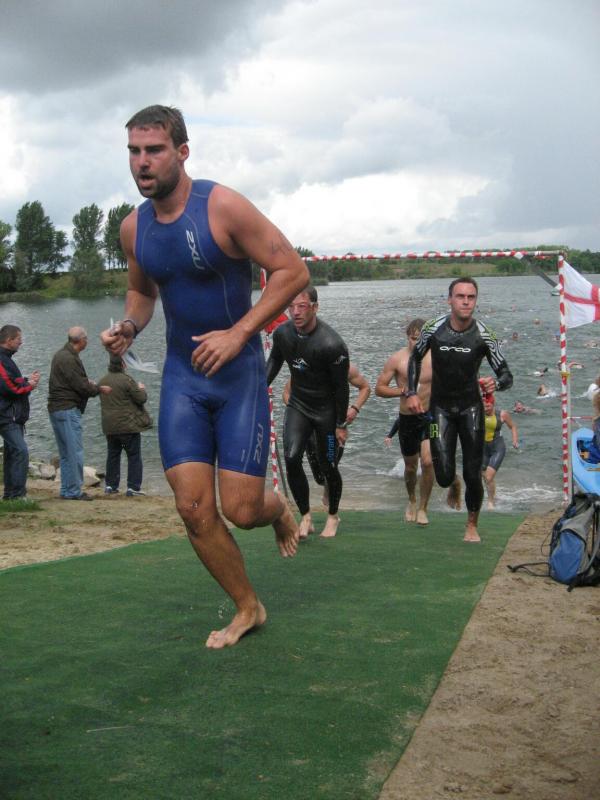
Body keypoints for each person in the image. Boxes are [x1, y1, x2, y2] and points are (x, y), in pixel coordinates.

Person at [100, 105, 309, 649]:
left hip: (238, 376)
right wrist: (128, 327)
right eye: (134, 151)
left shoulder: (222, 207)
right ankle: (248, 606)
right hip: (183, 380)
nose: (142, 162)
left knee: (241, 510)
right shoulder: (134, 228)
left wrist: (239, 333)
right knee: (193, 509)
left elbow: (293, 271)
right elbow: (142, 293)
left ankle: (276, 508)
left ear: (182, 152)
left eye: (154, 150)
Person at [406, 278, 513, 543]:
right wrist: (411, 392)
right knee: (442, 474)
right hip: (438, 411)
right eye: (460, 296)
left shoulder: (484, 335)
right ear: (450, 300)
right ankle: (452, 483)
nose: (466, 301)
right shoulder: (433, 329)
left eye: (471, 297)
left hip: (471, 410)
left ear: (476, 300)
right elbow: (414, 359)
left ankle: (471, 525)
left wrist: (496, 383)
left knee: (472, 471)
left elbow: (506, 374)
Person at [266, 286, 349, 539]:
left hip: (326, 411)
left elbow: (342, 387)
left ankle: (333, 516)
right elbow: (274, 362)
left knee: (328, 465)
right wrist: (257, 389)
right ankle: (306, 516)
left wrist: (341, 424)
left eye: (301, 306)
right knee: (292, 458)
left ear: (315, 307)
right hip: (299, 404)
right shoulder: (282, 334)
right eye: (291, 307)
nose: (295, 312)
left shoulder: (332, 344)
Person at [376, 319, 461, 526]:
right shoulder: (397, 359)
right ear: (407, 337)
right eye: (413, 339)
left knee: (428, 462)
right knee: (411, 467)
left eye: (421, 339)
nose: (417, 343)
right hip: (407, 419)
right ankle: (412, 500)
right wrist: (402, 391)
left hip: (431, 416)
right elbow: (379, 388)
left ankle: (423, 507)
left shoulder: (438, 357)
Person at [282, 362, 371, 507]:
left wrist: (354, 409)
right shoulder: (306, 366)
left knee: (330, 467)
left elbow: (365, 388)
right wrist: (298, 411)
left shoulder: (345, 368)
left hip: (335, 427)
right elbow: (286, 393)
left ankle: (331, 507)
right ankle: (325, 489)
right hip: (310, 426)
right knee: (319, 477)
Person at [48, 327, 111, 500]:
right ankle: (74, 491)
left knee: (66, 454)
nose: (87, 341)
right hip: (67, 409)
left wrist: (87, 383)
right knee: (74, 452)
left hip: (58, 409)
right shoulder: (68, 358)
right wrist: (98, 389)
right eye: (86, 338)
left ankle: (67, 490)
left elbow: (73, 381)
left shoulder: (62, 355)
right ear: (80, 340)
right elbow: (81, 386)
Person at [98, 354, 153, 496]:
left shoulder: (103, 381)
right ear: (123, 365)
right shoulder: (127, 380)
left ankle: (110, 486)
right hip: (128, 426)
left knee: (113, 455)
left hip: (110, 427)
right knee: (134, 456)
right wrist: (141, 388)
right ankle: (133, 487)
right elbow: (141, 399)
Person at [0, 325, 40, 500]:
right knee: (21, 451)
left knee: (12, 453)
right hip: (6, 416)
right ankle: (17, 494)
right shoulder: (1, 359)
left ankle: (10, 495)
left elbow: (12, 381)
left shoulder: (6, 359)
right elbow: (9, 388)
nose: (21, 342)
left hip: (12, 415)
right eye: (18, 339)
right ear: (9, 340)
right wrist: (29, 385)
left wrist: (26, 380)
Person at [481, 391, 519, 509]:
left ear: (493, 404)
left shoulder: (502, 414)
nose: (486, 409)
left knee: (488, 477)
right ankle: (492, 494)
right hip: (483, 449)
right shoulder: (478, 413)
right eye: (484, 406)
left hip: (497, 448)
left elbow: (513, 426)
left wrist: (515, 440)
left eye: (488, 406)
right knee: (485, 477)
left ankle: (491, 502)